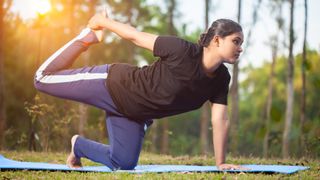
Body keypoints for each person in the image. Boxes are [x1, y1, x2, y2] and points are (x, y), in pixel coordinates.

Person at [34, 10, 244, 171]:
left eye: (241, 43)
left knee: (123, 163)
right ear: (217, 40)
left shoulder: (221, 79)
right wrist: (102, 22)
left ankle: (78, 146)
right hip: (113, 85)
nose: (240, 48)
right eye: (236, 41)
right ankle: (87, 37)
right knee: (42, 79)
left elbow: (220, 120)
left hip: (134, 115)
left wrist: (221, 162)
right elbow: (135, 36)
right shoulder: (182, 50)